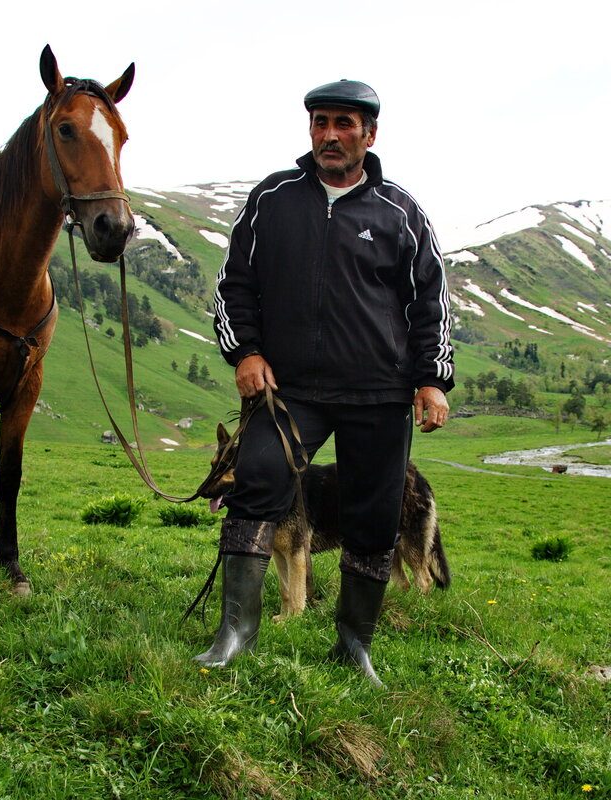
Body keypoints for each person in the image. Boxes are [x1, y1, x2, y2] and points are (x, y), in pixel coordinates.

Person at [199, 78, 454, 685]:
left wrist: (431, 380)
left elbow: (431, 301)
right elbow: (234, 284)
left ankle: (354, 646)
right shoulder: (272, 200)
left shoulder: (401, 213)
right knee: (256, 480)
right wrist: (245, 352)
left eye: (344, 123)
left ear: (370, 133)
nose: (330, 135)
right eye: (320, 122)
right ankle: (236, 632)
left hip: (378, 393)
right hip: (288, 392)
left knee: (374, 513)